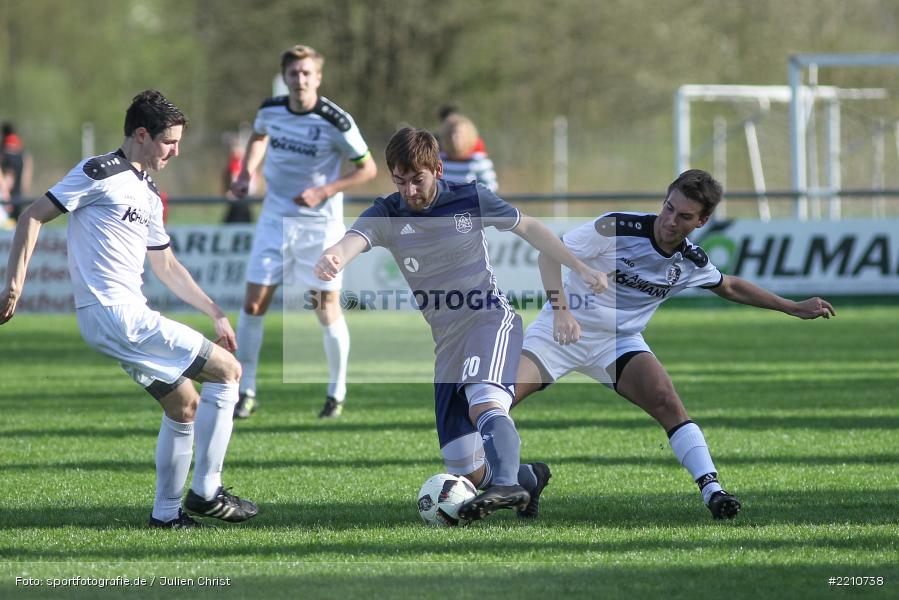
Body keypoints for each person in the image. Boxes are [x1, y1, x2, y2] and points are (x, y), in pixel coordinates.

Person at [314, 127, 608, 521]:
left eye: (417, 180)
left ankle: (507, 485)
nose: (409, 192)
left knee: (484, 398)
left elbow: (531, 228)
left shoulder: (470, 197)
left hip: (489, 318)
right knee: (467, 468)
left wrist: (580, 266)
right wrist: (335, 255)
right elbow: (354, 238)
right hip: (447, 344)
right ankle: (528, 477)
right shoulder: (388, 211)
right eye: (400, 182)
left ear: (436, 169)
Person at [0, 90, 258, 529]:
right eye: (169, 142)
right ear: (142, 134)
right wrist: (14, 285)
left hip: (114, 319)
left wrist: (215, 311)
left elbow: (167, 265)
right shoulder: (98, 171)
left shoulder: (149, 191)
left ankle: (166, 516)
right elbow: (33, 216)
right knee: (230, 372)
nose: (176, 151)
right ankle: (207, 492)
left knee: (184, 404)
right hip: (117, 314)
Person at [514, 169, 836, 520]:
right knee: (499, 398)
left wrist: (792, 307)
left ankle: (713, 491)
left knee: (667, 400)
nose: (669, 220)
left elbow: (728, 286)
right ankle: (521, 477)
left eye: (683, 216)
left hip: (618, 342)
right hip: (560, 331)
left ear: (702, 220)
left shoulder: (689, 262)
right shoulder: (616, 228)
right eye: (668, 208)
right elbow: (547, 253)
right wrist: (562, 312)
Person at [230, 44, 377, 420]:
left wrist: (324, 190)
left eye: (307, 73)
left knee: (324, 308)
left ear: (318, 77)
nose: (300, 80)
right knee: (252, 305)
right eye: (294, 73)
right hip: (274, 220)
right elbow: (259, 136)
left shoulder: (335, 120)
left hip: (319, 226)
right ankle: (244, 392)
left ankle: (336, 393)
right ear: (286, 77)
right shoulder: (271, 109)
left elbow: (368, 168)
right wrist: (248, 172)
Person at [439, 114, 498, 192]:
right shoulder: (438, 160)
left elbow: (490, 187)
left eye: (459, 134)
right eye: (451, 133)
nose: (455, 138)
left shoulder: (479, 161)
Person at [1, 122, 33, 223]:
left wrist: (5, 191)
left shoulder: (3, 150)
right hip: (18, 192)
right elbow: (27, 169)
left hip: (5, 193)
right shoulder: (22, 151)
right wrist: (26, 188)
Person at [221, 132, 253, 224]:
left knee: (233, 224)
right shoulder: (246, 161)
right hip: (245, 196)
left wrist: (232, 191)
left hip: (238, 196)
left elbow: (234, 176)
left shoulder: (237, 161)